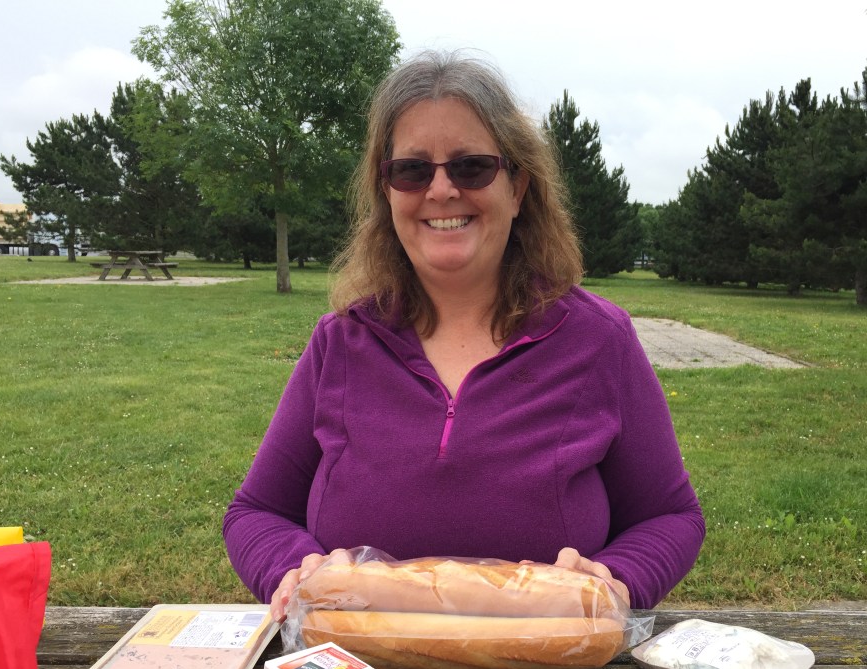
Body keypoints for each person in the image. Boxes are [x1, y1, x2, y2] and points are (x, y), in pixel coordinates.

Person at [223, 50, 705, 622]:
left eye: (470, 167)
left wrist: (618, 581)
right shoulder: (340, 343)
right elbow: (255, 511)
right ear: (388, 192)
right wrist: (293, 569)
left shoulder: (600, 340)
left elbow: (671, 516)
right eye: (412, 169)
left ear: (519, 187)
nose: (442, 190)